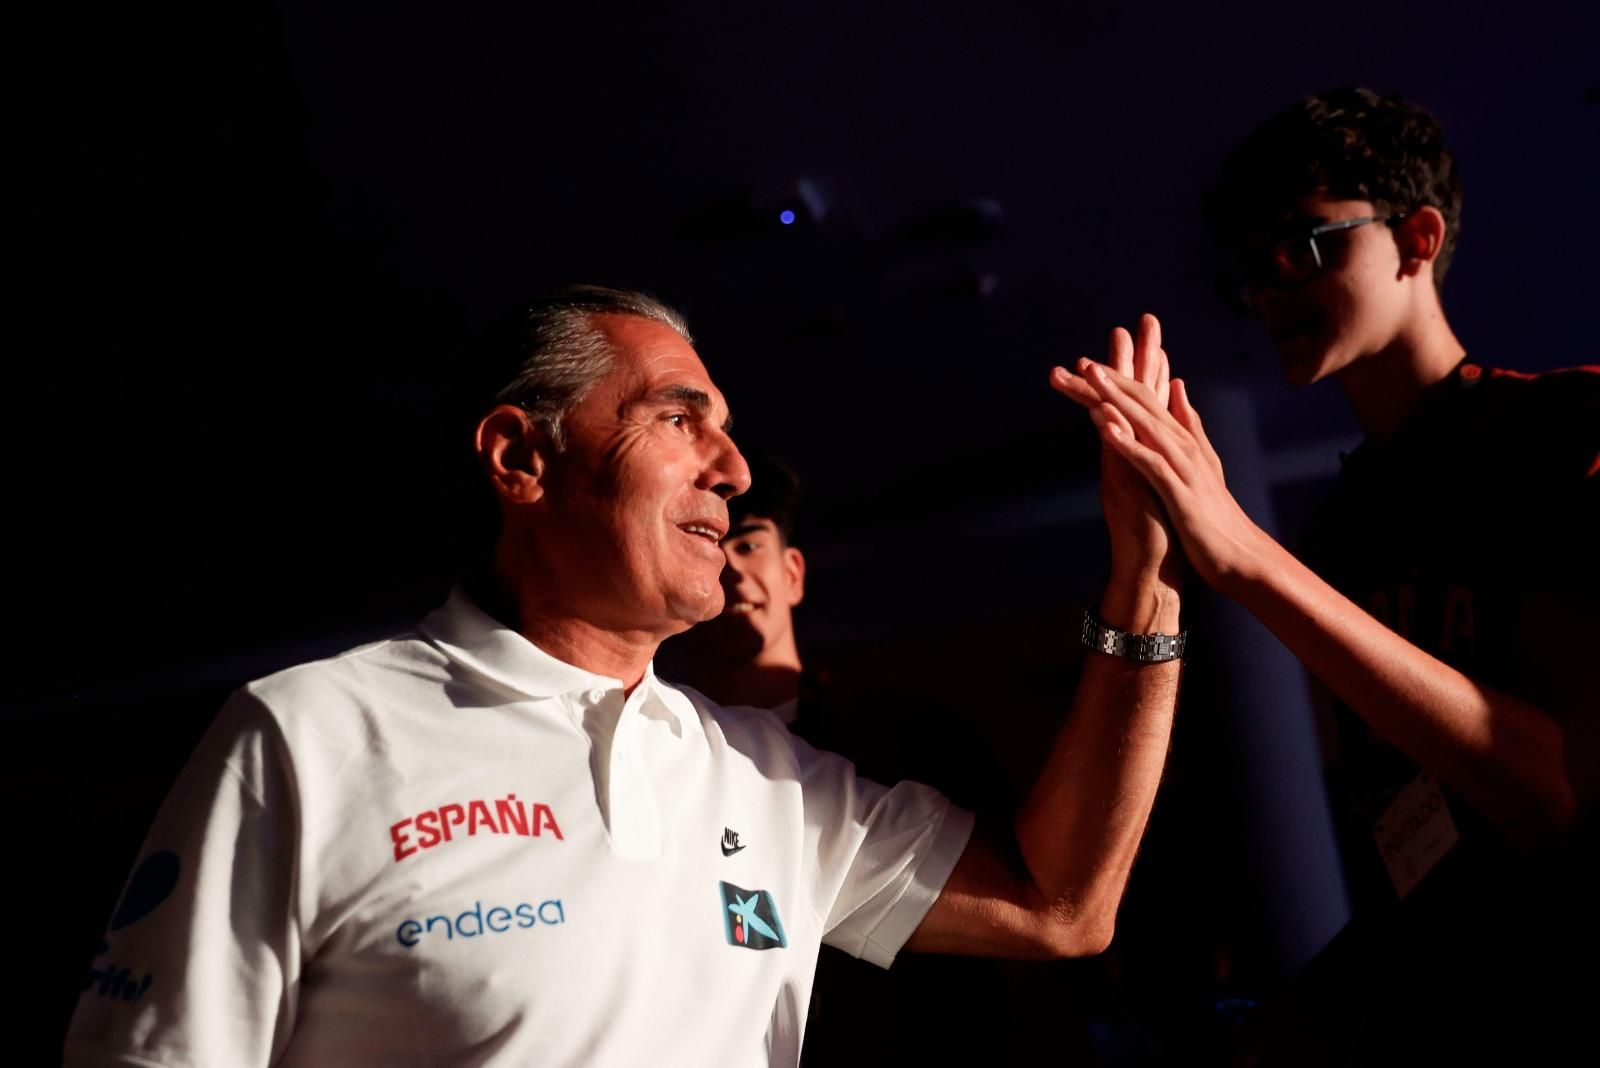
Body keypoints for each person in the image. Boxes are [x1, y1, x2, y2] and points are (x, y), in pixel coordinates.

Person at [67, 284, 1187, 1066]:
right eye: (678, 418)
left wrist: (1143, 584)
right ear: (520, 457)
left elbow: (1058, 908)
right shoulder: (308, 734)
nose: (732, 469)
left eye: (726, 431)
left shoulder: (764, 778)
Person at [1053, 89, 1599, 1063]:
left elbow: (1551, 788)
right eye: (1253, 266)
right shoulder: (1344, 530)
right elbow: (1407, 851)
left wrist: (1242, 553)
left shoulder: (1564, 431)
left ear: (1417, 239)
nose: (1270, 288)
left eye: (1305, 245)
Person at [666, 452, 1065, 1067]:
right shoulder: (663, 759)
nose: (733, 568)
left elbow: (1023, 932)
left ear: (792, 573)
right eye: (712, 544)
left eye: (748, 545)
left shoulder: (912, 737)